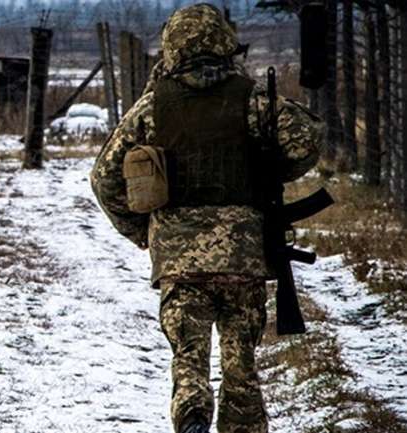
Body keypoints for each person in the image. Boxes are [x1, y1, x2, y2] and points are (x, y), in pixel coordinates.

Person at [90, 4, 324, 433]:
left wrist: (144, 233)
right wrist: (271, 169)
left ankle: (193, 413)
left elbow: (104, 179)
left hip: (179, 261)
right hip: (244, 256)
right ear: (223, 44)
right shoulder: (254, 99)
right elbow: (309, 138)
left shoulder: (151, 108)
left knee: (188, 354)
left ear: (172, 48)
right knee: (241, 364)